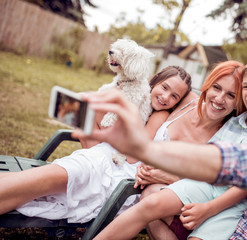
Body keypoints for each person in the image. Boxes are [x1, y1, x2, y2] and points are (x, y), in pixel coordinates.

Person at [75, 38, 247, 239]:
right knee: (150, 204)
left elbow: (246, 164)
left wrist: (145, 149)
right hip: (246, 225)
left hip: (244, 223)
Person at [93, 60, 247, 240]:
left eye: (231, 95)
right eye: (246, 88)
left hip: (231, 200)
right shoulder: (234, 122)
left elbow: (245, 184)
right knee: (150, 200)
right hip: (205, 185)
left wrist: (208, 208)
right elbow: (205, 162)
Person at [0, 65, 192, 224]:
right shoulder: (138, 101)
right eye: (165, 88)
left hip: (114, 169)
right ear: (156, 80)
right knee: (31, 187)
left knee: (35, 184)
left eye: (175, 96)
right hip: (100, 156)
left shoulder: (161, 115)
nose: (166, 97)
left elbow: (133, 154)